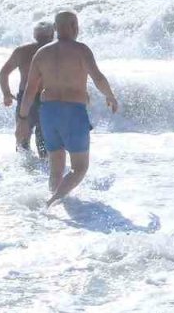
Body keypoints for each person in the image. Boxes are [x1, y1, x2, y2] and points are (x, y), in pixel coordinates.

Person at [19, 11, 119, 207]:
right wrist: (110, 96)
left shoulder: (42, 53)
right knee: (79, 168)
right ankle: (52, 202)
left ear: (56, 28)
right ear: (74, 26)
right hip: (72, 113)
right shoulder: (81, 50)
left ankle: (53, 208)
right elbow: (98, 77)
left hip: (48, 113)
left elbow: (30, 90)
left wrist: (22, 119)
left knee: (56, 168)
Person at [0, 20, 55, 156]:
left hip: (25, 99)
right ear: (52, 35)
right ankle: (45, 168)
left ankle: (23, 168)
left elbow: (3, 73)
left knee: (22, 141)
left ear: (34, 35)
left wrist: (6, 94)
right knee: (45, 144)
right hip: (48, 98)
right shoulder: (57, 51)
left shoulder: (21, 51)